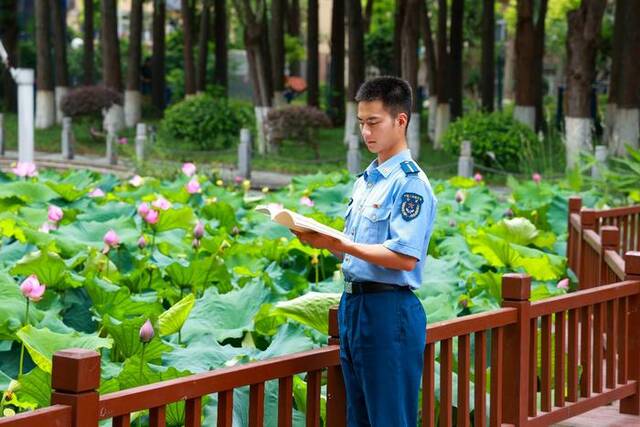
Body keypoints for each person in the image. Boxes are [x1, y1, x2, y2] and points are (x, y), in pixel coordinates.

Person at [293, 76, 437, 426]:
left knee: (388, 419)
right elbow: (354, 252)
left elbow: (404, 257)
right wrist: (324, 241)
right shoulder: (366, 180)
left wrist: (342, 243)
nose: (366, 132)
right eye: (361, 123)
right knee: (357, 418)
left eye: (374, 122)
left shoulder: (410, 182)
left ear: (400, 121)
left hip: (389, 310)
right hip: (353, 307)